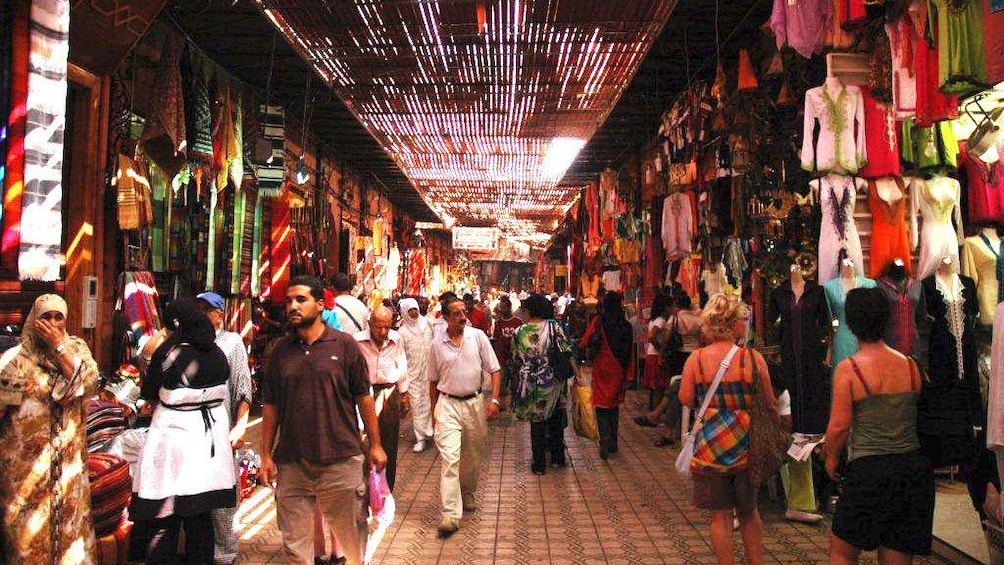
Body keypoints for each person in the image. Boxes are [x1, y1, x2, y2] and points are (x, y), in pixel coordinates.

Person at [259, 275, 386, 565]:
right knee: (295, 547)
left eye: (300, 299)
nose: (293, 306)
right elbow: (271, 404)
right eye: (289, 300)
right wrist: (266, 454)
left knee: (352, 544)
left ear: (320, 304)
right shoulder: (280, 351)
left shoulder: (344, 346)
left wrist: (375, 445)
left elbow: (363, 397)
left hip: (340, 460)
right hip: (292, 463)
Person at [824, 287, 934, 564]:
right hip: (912, 470)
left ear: (851, 323)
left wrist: (831, 457)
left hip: (869, 470)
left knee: (842, 551)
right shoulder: (911, 365)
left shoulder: (849, 369)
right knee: (896, 554)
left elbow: (839, 426)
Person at [131, 297, 237, 563]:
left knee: (164, 513)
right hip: (208, 441)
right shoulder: (218, 354)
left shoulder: (169, 354)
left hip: (173, 441)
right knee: (200, 518)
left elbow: (150, 394)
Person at [0, 294, 99, 563]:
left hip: (67, 469)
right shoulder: (17, 360)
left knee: (69, 541)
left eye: (58, 317)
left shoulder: (76, 350)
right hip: (26, 472)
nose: (52, 323)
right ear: (34, 320)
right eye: (46, 317)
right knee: (28, 541)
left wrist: (59, 347)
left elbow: (87, 383)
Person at [679, 294, 775, 565]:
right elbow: (769, 402)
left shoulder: (696, 360)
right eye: (743, 319)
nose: (746, 324)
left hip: (710, 449)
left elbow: (686, 399)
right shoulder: (753, 359)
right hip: (747, 446)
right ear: (733, 324)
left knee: (720, 516)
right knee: (748, 511)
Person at [428, 295, 503, 537]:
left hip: (474, 404)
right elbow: (433, 381)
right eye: (456, 313)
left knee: (471, 455)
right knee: (450, 459)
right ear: (446, 318)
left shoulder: (477, 337)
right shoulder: (436, 345)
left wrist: (494, 400)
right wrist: (433, 412)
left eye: (464, 312)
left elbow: (495, 369)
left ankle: (467, 490)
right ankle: (450, 514)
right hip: (448, 404)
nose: (462, 317)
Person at [196, 292, 254, 564]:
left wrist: (240, 426)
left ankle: (225, 555)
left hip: (221, 432)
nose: (203, 314)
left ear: (220, 314)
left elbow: (243, 390)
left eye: (208, 309)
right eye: (199, 309)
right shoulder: (188, 341)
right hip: (192, 434)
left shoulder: (232, 342)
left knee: (224, 500)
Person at [511, 294, 573, 475]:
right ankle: (557, 458)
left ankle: (538, 465)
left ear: (529, 310)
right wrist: (577, 374)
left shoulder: (519, 332)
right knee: (555, 419)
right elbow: (567, 351)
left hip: (530, 383)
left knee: (536, 424)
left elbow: (515, 358)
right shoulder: (554, 327)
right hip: (553, 381)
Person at [636, 293, 703, 446]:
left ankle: (664, 422)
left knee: (677, 387)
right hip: (695, 356)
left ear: (678, 305)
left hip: (678, 357)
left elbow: (666, 338)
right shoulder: (700, 319)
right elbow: (703, 338)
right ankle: (667, 422)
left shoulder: (676, 319)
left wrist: (661, 352)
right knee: (678, 388)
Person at [354, 305, 409, 491]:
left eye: (387, 326)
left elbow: (401, 364)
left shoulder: (396, 339)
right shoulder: (357, 341)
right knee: (364, 441)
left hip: (388, 393)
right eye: (379, 327)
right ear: (370, 324)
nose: (383, 331)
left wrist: (403, 394)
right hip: (363, 394)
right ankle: (365, 487)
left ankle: (386, 490)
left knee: (388, 444)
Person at [579, 291, 633, 460]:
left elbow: (584, 342)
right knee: (614, 405)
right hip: (619, 369)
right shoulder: (626, 325)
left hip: (602, 367)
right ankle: (613, 441)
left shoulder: (599, 322)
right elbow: (630, 351)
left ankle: (604, 440)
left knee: (601, 405)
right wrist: (629, 375)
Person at [398, 298, 435, 453]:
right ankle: (420, 437)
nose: (414, 312)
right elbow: (400, 356)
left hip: (429, 371)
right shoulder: (402, 332)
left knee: (428, 402)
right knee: (416, 404)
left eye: (415, 309)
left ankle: (430, 431)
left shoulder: (427, 324)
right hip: (412, 374)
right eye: (410, 310)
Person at [491, 295, 523, 407]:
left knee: (515, 381)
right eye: (500, 307)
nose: (501, 310)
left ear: (509, 308)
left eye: (503, 307)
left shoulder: (518, 322)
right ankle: (502, 403)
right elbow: (495, 338)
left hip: (515, 356)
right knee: (502, 380)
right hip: (501, 356)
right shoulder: (498, 322)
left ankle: (514, 402)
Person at [642, 294, 672, 409]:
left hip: (651, 355)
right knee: (659, 387)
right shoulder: (660, 321)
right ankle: (655, 414)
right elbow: (651, 336)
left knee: (655, 387)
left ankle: (653, 410)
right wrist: (659, 348)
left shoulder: (654, 320)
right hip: (655, 355)